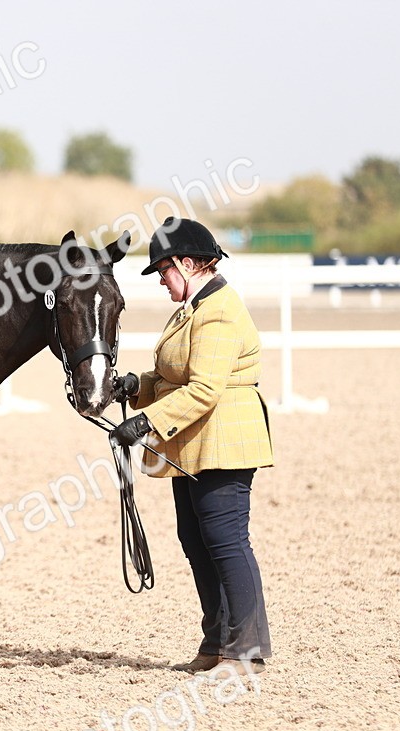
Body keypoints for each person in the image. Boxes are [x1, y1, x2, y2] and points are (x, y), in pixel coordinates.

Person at [108, 217, 273, 678]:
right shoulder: (193, 308)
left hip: (224, 440)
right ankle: (219, 641)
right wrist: (134, 387)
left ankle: (246, 652)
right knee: (196, 539)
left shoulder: (219, 310)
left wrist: (144, 422)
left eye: (163, 271)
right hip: (193, 444)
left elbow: (203, 389)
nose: (161, 281)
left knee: (225, 540)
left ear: (187, 263)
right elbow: (172, 376)